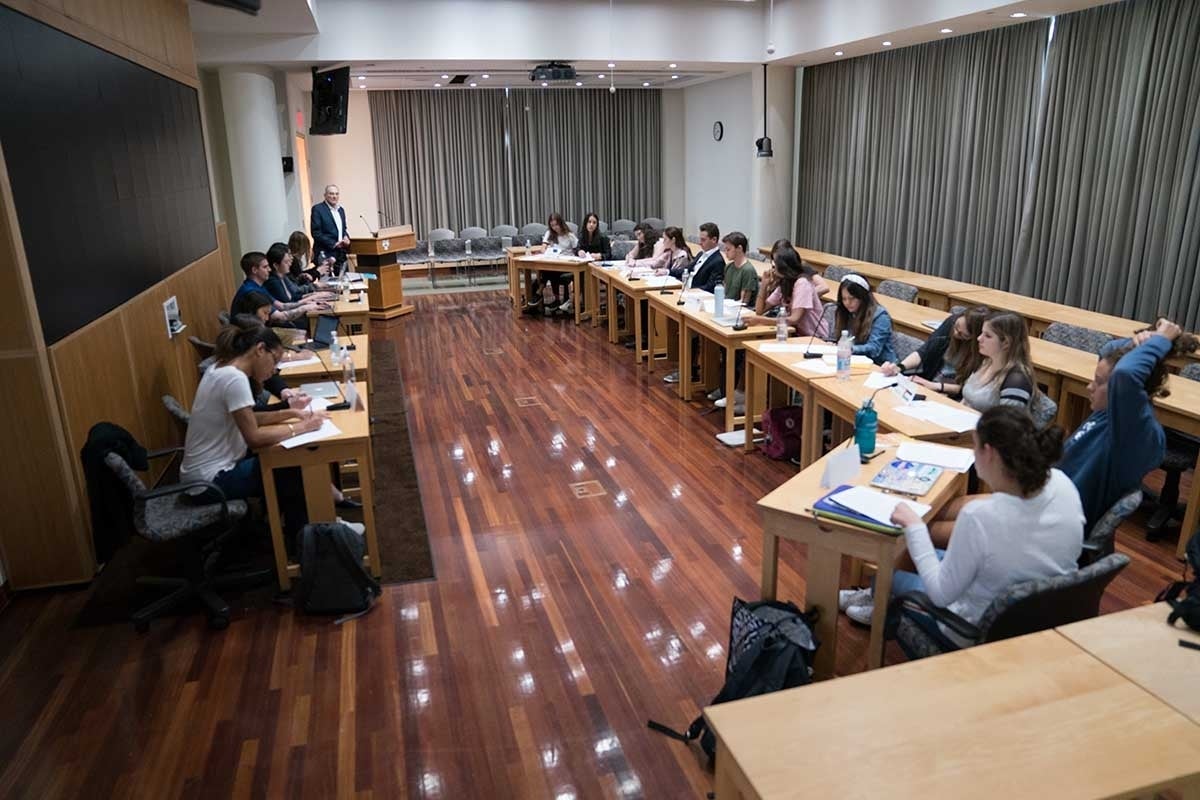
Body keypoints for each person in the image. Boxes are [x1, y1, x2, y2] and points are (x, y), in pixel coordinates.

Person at [840, 406, 1085, 638]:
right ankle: (875, 598)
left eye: (975, 447)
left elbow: (940, 594)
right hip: (1042, 619)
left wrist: (915, 527)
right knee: (927, 553)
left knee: (890, 571)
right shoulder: (1063, 484)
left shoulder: (980, 517)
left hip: (974, 629)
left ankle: (878, 600)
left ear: (988, 453)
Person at [180, 323, 322, 539]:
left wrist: (291, 414)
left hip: (198, 475)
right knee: (288, 466)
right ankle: (301, 541)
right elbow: (254, 437)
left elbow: (248, 419)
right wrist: (302, 427)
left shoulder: (219, 368)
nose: (274, 369)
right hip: (209, 483)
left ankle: (286, 528)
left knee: (284, 461)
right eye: (274, 360)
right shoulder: (234, 379)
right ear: (260, 349)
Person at [1057, 318, 1197, 530]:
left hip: (1061, 528)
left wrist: (1161, 340)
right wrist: (1136, 343)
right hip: (1047, 506)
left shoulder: (1136, 432)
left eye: (1100, 381)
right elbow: (1109, 352)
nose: (1089, 386)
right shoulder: (1108, 413)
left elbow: (1125, 374)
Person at [881, 306, 990, 398]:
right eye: (956, 327)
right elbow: (924, 352)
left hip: (952, 394)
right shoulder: (951, 323)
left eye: (963, 335)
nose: (955, 333)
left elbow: (966, 388)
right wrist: (899, 367)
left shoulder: (983, 349)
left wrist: (934, 386)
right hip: (931, 383)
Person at [744, 244, 829, 338]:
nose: (773, 267)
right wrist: (764, 285)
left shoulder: (802, 283)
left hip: (814, 337)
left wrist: (761, 320)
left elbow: (794, 319)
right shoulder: (785, 283)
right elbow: (760, 311)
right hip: (795, 333)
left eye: (775, 264)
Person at [959, 312, 1036, 414]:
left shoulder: (1017, 380)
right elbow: (966, 400)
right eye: (981, 333)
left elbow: (1005, 425)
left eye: (988, 336)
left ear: (1006, 343)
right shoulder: (986, 362)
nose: (979, 338)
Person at [231, 251, 322, 329]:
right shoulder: (252, 293)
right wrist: (305, 307)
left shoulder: (258, 286)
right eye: (265, 267)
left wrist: (308, 302)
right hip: (250, 338)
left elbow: (282, 306)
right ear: (254, 270)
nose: (270, 269)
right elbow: (280, 317)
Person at [833, 274, 897, 364]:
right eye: (844, 299)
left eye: (852, 298)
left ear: (862, 297)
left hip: (881, 366)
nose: (847, 303)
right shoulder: (847, 312)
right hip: (855, 361)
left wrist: (850, 349)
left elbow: (874, 349)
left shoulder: (881, 316)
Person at [263, 242, 335, 304]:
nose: (290, 263)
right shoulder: (273, 281)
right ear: (276, 265)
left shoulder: (283, 276)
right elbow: (289, 304)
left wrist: (315, 294)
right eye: (286, 262)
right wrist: (314, 295)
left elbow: (296, 293)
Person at [310, 184, 351, 268]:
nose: (334, 196)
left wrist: (346, 237)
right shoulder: (318, 209)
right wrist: (334, 244)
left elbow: (343, 229)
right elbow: (316, 233)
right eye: (331, 194)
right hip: (326, 253)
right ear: (325, 195)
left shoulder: (341, 210)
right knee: (328, 280)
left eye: (336, 194)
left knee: (343, 279)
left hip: (341, 253)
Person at [719, 232, 759, 306]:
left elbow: (743, 302)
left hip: (740, 311)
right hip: (727, 306)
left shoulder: (748, 270)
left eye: (728, 250)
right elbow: (725, 293)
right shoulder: (728, 267)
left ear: (739, 248)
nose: (725, 253)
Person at [690, 222, 726, 293]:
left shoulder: (718, 261)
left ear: (714, 240)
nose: (700, 243)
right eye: (700, 239)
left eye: (703, 240)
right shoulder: (700, 254)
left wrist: (692, 291)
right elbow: (687, 269)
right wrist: (667, 271)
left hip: (697, 295)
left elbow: (710, 286)